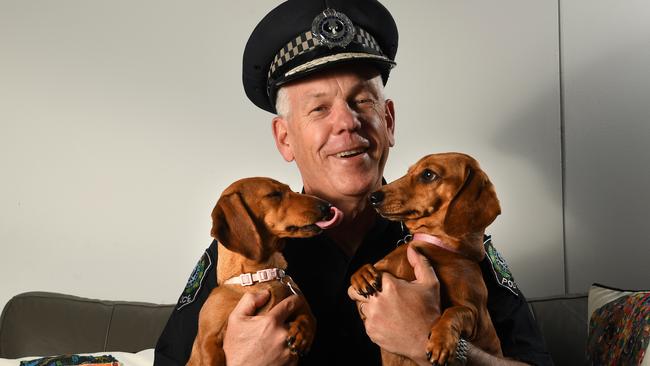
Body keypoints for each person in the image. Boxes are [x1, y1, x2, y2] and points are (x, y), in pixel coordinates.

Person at [154, 1, 553, 365]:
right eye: (318, 108)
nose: (347, 122)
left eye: (363, 101)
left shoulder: (452, 236)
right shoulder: (249, 249)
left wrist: (435, 344)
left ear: (389, 122)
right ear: (285, 139)